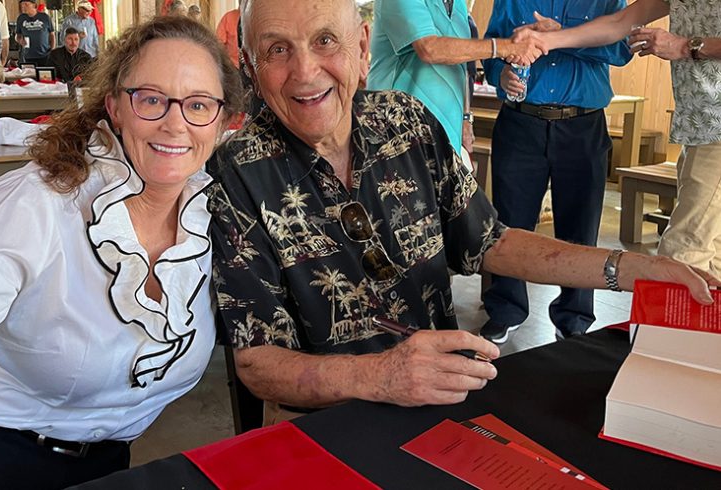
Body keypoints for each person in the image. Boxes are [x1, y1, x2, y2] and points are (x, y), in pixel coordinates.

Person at [208, 0, 716, 425]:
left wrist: (625, 267)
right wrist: (383, 377)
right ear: (250, 67)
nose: (305, 71)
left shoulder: (405, 122)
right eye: (277, 49)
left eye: (325, 41)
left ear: (362, 48)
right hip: (318, 424)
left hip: (438, 400)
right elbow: (256, 363)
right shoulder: (235, 173)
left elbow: (491, 240)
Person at [0, 16, 243, 490]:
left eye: (199, 104)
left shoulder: (217, 214)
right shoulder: (38, 201)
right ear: (115, 108)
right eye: (151, 99)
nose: (175, 122)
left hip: (108, 466)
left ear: (223, 122)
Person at [516, 0, 721, 275]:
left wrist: (686, 46)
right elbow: (618, 23)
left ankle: (660, 319)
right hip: (701, 127)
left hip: (716, 132)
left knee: (682, 256)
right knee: (712, 255)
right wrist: (547, 40)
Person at [477, 0, 631, 344]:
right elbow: (492, 50)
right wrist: (499, 74)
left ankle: (573, 318)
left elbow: (621, 50)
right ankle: (505, 310)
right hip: (520, 122)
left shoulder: (605, 2)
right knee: (508, 224)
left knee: (580, 226)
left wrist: (562, 36)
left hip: (583, 124)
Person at [367, 0, 546, 156]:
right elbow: (429, 48)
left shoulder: (458, 3)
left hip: (445, 133)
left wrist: (465, 119)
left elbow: (463, 66)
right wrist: (506, 47)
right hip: (397, 130)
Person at [15, 0, 55, 66]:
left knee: (44, 76)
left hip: (45, 56)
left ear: (34, 5)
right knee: (29, 76)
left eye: (26, 4)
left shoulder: (45, 17)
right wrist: (20, 40)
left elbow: (52, 35)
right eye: (22, 5)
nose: (23, 7)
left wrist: (52, 51)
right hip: (28, 56)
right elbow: (17, 36)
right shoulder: (21, 18)